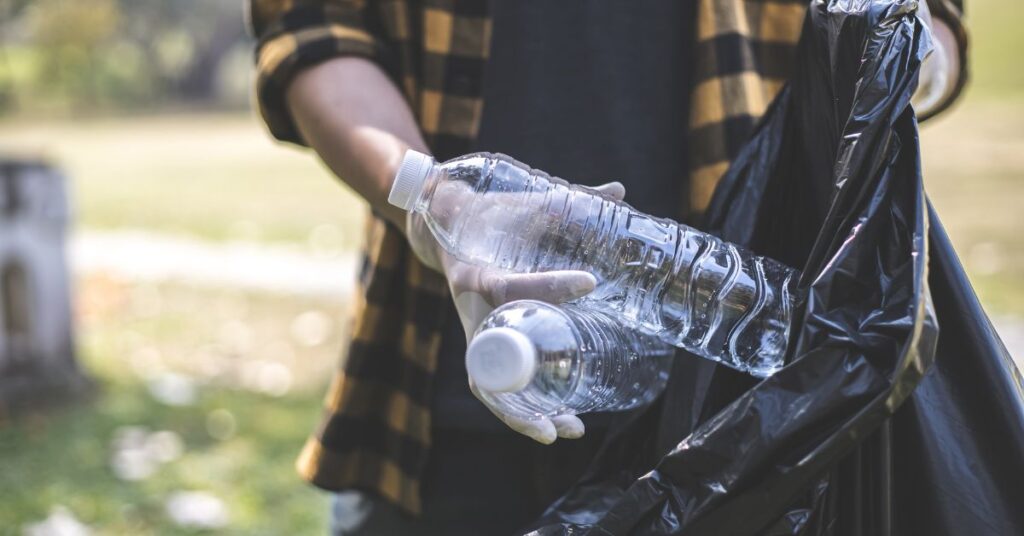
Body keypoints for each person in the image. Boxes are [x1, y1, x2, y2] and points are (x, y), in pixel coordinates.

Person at [247, 0, 967, 534]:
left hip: (746, 401)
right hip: (438, 390)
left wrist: (894, 59)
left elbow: (935, 27)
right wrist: (433, 202)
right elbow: (313, 32)